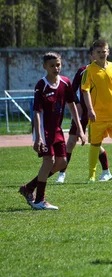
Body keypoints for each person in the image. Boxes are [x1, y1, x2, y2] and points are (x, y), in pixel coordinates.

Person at [18, 52, 85, 210]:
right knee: (49, 161)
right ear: (45, 67)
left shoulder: (65, 83)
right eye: (52, 65)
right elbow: (37, 112)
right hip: (44, 130)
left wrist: (80, 129)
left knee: (62, 162)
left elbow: (72, 105)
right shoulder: (41, 85)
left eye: (58, 64)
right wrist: (38, 138)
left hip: (57, 129)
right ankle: (40, 200)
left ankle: (29, 187)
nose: (56, 68)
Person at [56, 47, 111, 183]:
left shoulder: (107, 70)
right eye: (96, 53)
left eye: (101, 53)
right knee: (71, 142)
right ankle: (62, 174)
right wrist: (78, 104)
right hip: (82, 113)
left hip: (97, 113)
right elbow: (72, 91)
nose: (99, 55)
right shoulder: (83, 71)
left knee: (95, 142)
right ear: (91, 55)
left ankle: (106, 172)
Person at [81, 39, 112, 183]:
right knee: (95, 144)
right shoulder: (89, 70)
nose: (102, 54)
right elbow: (85, 90)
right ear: (93, 54)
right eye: (99, 52)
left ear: (108, 51)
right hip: (98, 115)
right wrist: (90, 109)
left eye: (104, 51)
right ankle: (92, 175)